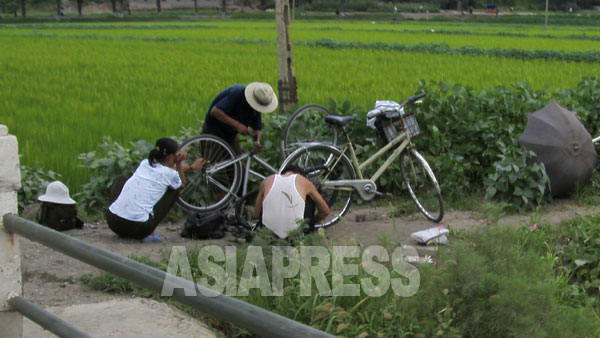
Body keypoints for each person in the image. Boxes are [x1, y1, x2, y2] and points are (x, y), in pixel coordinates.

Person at [106, 137, 204, 242]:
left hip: (113, 222)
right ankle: (150, 233)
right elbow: (182, 183)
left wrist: (190, 167)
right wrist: (179, 163)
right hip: (138, 229)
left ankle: (121, 210)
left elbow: (166, 169)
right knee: (175, 190)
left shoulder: (144, 163)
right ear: (171, 156)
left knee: (121, 180)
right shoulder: (170, 174)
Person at [253, 165, 331, 239]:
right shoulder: (303, 181)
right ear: (300, 175)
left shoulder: (267, 180)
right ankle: (305, 237)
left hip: (267, 235)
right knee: (308, 198)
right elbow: (325, 211)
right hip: (295, 236)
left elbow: (256, 214)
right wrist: (312, 221)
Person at [202, 82, 278, 155]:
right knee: (213, 165)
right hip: (213, 131)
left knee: (238, 165)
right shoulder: (237, 93)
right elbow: (215, 111)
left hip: (230, 135)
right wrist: (237, 125)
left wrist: (257, 141)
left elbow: (257, 127)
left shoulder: (257, 108)